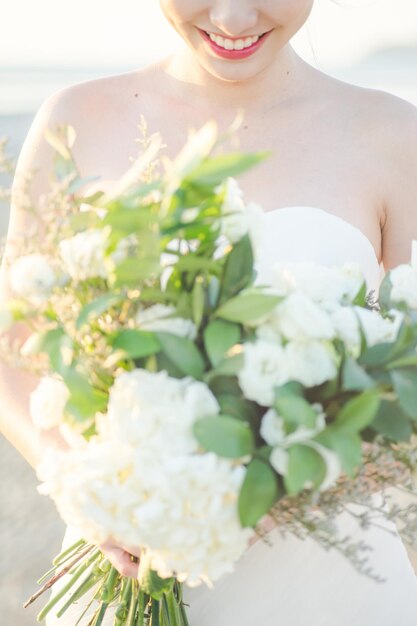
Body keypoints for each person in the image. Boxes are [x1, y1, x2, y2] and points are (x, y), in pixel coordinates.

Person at [1, 1, 417, 624]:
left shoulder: (393, 134)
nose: (233, 15)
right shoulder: (77, 118)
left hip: (334, 581)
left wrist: (280, 483)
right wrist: (88, 487)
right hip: (128, 558)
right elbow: (15, 343)